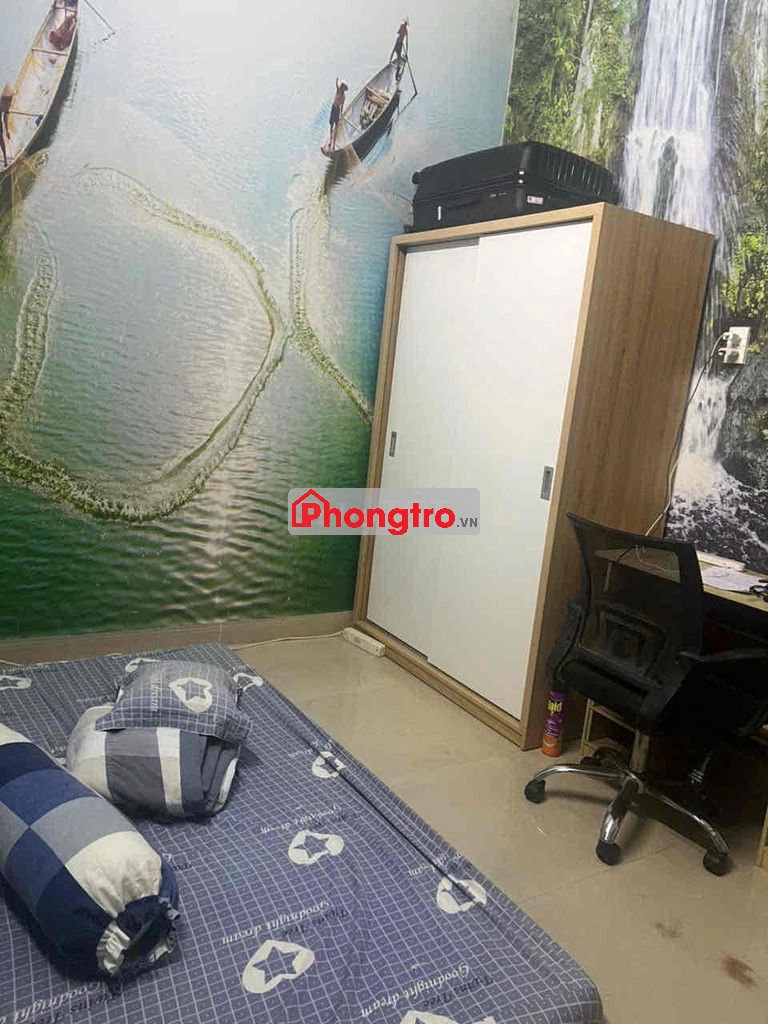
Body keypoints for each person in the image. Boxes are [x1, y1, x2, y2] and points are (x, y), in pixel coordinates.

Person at [327, 78, 347, 152]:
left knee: (336, 127)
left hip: (337, 110)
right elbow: (336, 85)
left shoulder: (343, 97)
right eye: (342, 87)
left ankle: (333, 145)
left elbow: (342, 106)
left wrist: (341, 114)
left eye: (343, 88)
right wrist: (337, 80)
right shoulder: (338, 91)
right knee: (331, 126)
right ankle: (330, 141)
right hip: (333, 108)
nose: (341, 88)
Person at [0, 84, 13, 168]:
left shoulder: (6, 105)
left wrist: (7, 130)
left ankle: (5, 160)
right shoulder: (2, 103)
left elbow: (5, 117)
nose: (8, 106)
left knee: (1, 141)